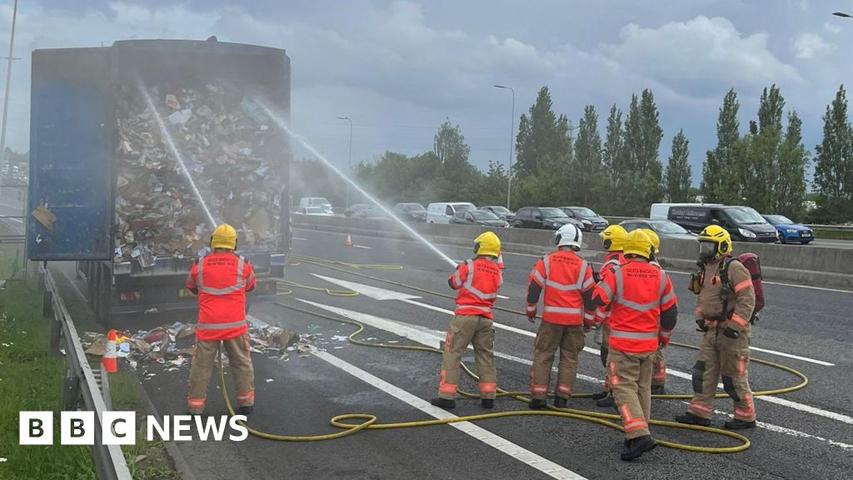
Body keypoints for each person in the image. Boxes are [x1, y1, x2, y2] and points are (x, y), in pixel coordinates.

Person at [592, 229, 678, 461]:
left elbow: (598, 298)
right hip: (649, 346)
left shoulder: (618, 274)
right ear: (648, 251)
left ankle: (639, 435)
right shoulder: (661, 276)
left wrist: (598, 282)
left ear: (627, 250)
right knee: (642, 388)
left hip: (622, 345)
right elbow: (670, 313)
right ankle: (638, 432)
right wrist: (664, 337)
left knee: (623, 388)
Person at [675, 225, 757, 430]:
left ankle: (745, 416)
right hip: (711, 331)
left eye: (708, 245)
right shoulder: (706, 267)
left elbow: (747, 299)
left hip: (732, 334)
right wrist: (701, 318)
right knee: (703, 372)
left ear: (721, 246)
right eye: (703, 245)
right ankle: (699, 412)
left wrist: (735, 326)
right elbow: (704, 298)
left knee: (733, 376)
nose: (704, 249)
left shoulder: (733, 267)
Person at [185, 224, 257, 415]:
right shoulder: (243, 264)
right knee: (241, 363)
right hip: (235, 326)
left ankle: (195, 408)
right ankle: (246, 403)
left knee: (201, 367)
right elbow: (251, 286)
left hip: (208, 326)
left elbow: (191, 286)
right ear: (234, 243)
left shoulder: (200, 264)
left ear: (212, 242)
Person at [525, 224, 596, 409]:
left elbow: (534, 286)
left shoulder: (547, 261)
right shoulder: (584, 266)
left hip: (551, 320)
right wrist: (588, 321)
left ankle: (539, 397)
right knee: (569, 358)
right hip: (574, 322)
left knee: (544, 355)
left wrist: (531, 308)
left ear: (560, 239)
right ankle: (562, 397)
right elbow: (590, 297)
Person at [432, 231, 503, 410]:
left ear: (480, 247)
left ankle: (446, 396)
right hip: (486, 319)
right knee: (485, 356)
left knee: (453, 353)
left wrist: (458, 270)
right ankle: (488, 397)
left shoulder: (469, 265)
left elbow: (453, 283)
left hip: (465, 317)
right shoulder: (497, 271)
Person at [591, 224, 628, 407]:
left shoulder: (613, 263)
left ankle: (614, 393)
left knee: (611, 357)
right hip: (618, 317)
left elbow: (605, 296)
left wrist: (595, 318)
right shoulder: (622, 259)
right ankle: (608, 389)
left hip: (612, 319)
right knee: (610, 357)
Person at [641, 228, 668, 395]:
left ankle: (656, 383)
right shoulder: (656, 267)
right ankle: (657, 381)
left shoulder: (651, 269)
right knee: (655, 348)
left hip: (651, 316)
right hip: (655, 313)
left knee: (653, 350)